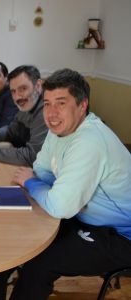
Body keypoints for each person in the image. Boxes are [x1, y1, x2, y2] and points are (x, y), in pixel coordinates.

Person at [9, 69, 131, 300]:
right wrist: (41, 183)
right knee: (19, 238)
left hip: (121, 236)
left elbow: (59, 205)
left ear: (82, 105)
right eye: (47, 104)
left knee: (40, 263)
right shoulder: (60, 131)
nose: (51, 114)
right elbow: (42, 169)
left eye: (61, 103)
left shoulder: (90, 141)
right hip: (86, 217)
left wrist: (31, 183)